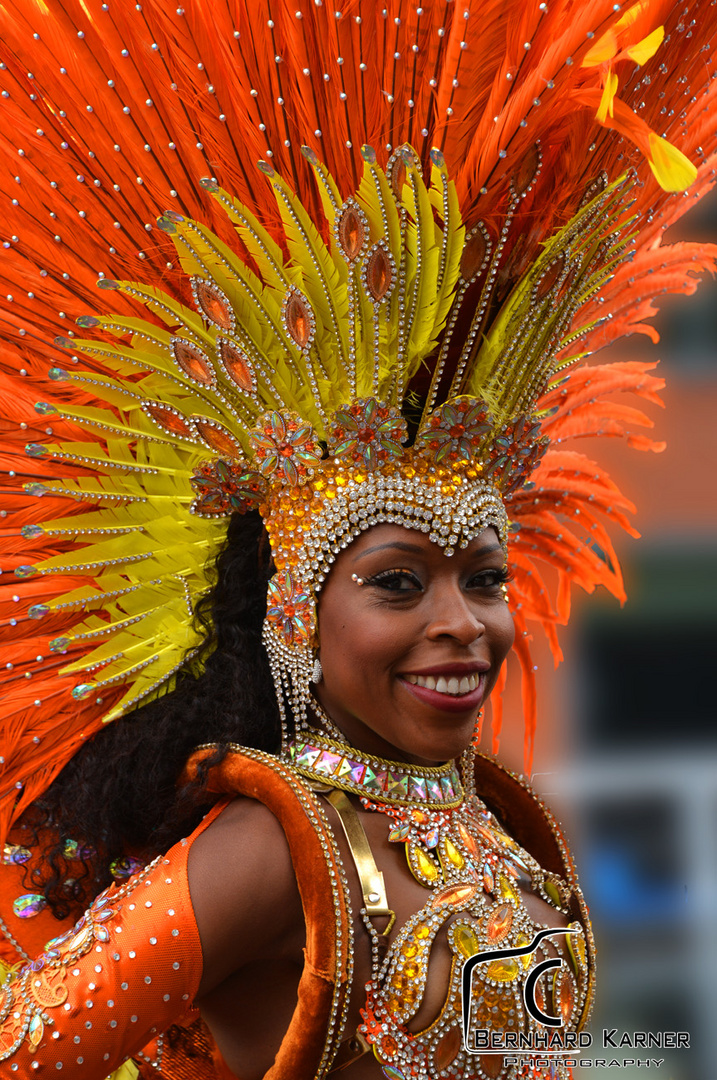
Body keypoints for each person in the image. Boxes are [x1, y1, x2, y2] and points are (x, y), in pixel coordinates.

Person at [1, 1, 716, 1078]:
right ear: (294, 611)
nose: (462, 624)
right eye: (397, 583)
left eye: (484, 577)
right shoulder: (270, 853)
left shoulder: (505, 839)